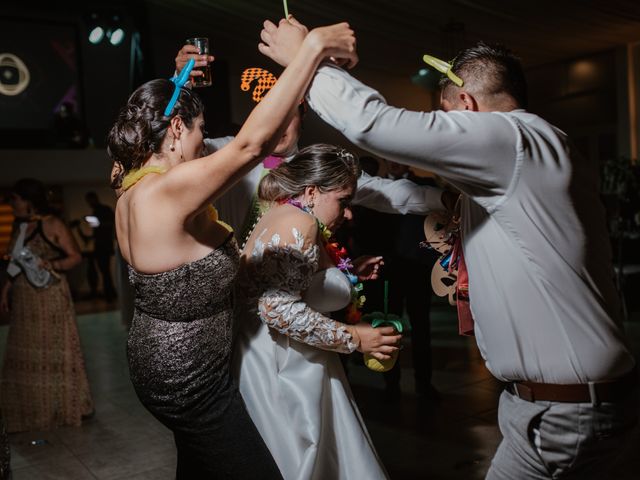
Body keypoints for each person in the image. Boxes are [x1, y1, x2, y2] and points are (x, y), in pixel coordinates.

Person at [259, 20, 639, 480]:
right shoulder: (528, 158)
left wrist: (308, 55)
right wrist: (340, 188)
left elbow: (372, 124)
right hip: (557, 406)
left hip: (564, 413)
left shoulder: (511, 139)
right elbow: (401, 195)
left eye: (446, 116)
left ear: (466, 104)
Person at [109, 21, 358, 479]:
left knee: (200, 468)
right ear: (178, 127)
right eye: (201, 129)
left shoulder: (131, 184)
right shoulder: (165, 191)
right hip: (187, 378)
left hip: (167, 362)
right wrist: (311, 50)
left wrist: (178, 81)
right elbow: (250, 144)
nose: (205, 141)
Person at [234, 144, 400, 480]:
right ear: (311, 192)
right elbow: (279, 309)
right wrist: (355, 338)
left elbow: (294, 282)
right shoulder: (300, 223)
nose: (349, 213)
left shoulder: (282, 213)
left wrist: (348, 270)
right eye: (343, 200)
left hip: (278, 354)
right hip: (286, 365)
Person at [174, 45, 454, 242]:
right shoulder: (227, 151)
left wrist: (441, 199)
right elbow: (174, 145)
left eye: (288, 117)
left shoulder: (316, 167)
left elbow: (385, 192)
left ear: (303, 116)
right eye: (272, 117)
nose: (279, 126)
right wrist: (179, 83)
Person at [0, 178, 94, 432]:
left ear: (29, 201)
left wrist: (52, 265)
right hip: (24, 298)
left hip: (50, 296)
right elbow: (14, 264)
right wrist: (6, 290)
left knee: (54, 349)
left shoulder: (53, 224)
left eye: (16, 200)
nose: (12, 205)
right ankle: (29, 409)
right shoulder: (19, 227)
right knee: (26, 351)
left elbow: (75, 257)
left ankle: (59, 406)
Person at [354, 160, 440, 403]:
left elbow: (435, 229)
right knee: (387, 326)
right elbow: (363, 228)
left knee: (422, 329)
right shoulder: (373, 189)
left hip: (417, 270)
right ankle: (390, 384)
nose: (394, 162)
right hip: (386, 272)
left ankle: (425, 384)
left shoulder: (425, 185)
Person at [77, 191, 117, 302]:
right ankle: (110, 293)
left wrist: (97, 223)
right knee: (104, 271)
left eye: (89, 200)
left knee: (104, 271)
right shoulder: (98, 211)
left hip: (103, 245)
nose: (89, 203)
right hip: (102, 244)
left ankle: (110, 294)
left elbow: (110, 223)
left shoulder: (103, 210)